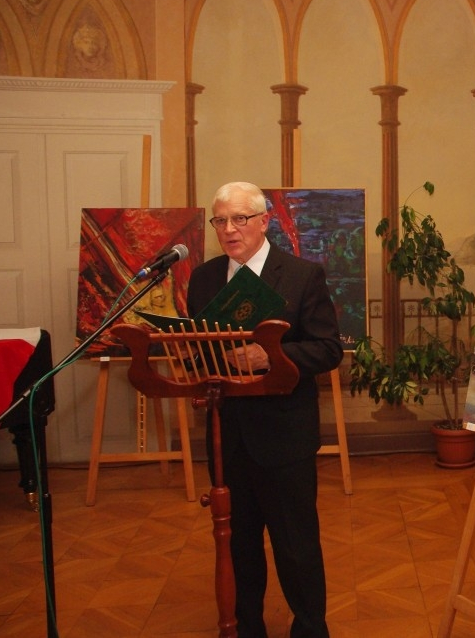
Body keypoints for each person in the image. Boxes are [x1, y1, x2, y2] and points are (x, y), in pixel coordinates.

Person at [187, 181, 343, 638]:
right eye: (221, 221)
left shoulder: (300, 275)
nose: (230, 230)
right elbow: (199, 350)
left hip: (284, 435)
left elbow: (329, 349)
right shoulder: (205, 278)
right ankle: (246, 627)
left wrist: (272, 356)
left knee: (296, 547)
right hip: (226, 433)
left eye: (240, 219)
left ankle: (311, 629)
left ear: (264, 221)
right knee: (238, 546)